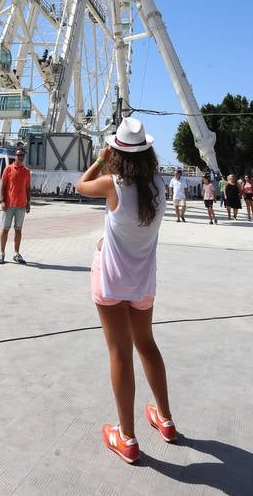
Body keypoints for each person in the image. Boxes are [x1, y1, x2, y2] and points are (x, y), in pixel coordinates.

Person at [76, 118, 175, 465]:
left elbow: (80, 184)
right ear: (148, 153)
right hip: (143, 281)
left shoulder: (112, 184)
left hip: (111, 278)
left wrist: (102, 160)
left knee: (120, 352)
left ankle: (127, 437)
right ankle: (165, 420)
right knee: (146, 345)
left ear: (117, 152)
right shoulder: (160, 187)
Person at [0, 150, 31, 265]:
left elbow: (27, 188)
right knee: (5, 229)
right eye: (18, 155)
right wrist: (2, 200)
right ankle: (2, 253)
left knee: (18, 230)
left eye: (22, 155)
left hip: (21, 205)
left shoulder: (26, 171)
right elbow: (3, 185)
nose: (20, 157)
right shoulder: (8, 169)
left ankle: (16, 253)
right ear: (15, 156)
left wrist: (28, 202)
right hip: (9, 205)